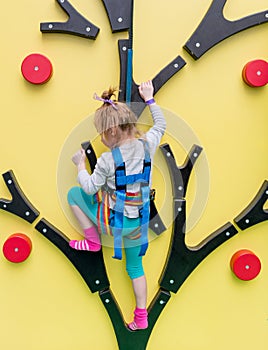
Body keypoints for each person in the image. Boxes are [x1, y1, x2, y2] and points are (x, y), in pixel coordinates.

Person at [67, 80, 166, 331]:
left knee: (74, 195)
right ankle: (141, 317)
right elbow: (161, 125)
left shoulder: (107, 160)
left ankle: (92, 240)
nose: (101, 138)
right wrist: (150, 98)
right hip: (140, 224)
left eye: (101, 132)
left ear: (111, 132)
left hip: (114, 224)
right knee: (135, 268)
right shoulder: (148, 144)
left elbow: (89, 188)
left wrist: (80, 166)